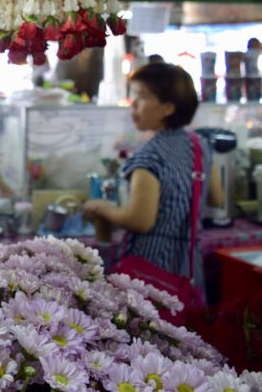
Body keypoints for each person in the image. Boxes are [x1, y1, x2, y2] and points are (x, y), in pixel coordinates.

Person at [83, 63, 222, 292]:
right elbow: (216, 198)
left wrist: (101, 207)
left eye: (141, 96)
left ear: (167, 108)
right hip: (188, 268)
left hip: (150, 268)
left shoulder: (149, 156)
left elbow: (140, 220)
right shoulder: (200, 145)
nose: (133, 103)